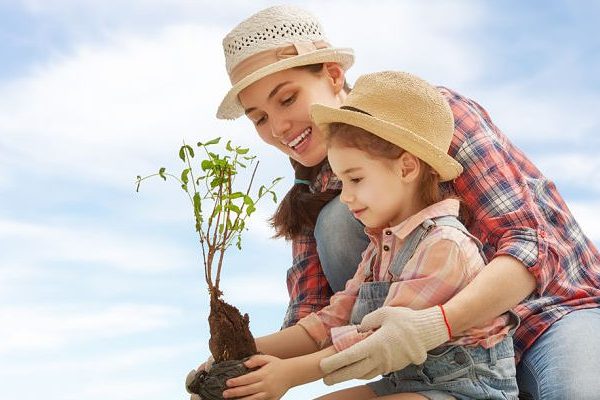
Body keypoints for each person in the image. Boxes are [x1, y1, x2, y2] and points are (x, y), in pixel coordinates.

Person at [188, 5, 600, 399]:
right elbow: (319, 314)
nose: (278, 127)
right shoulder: (315, 189)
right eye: (259, 117)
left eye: (287, 99)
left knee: (577, 392)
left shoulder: (424, 117)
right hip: (423, 359)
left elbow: (528, 245)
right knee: (334, 220)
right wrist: (240, 364)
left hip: (543, 313)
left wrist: (434, 325)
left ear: (333, 76)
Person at [219, 70, 520, 400]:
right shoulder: (381, 244)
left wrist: (290, 374)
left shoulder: (443, 245)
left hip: (466, 388)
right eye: (341, 181)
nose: (345, 196)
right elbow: (332, 319)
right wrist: (241, 356)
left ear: (406, 168)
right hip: (405, 380)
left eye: (356, 179)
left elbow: (376, 341)